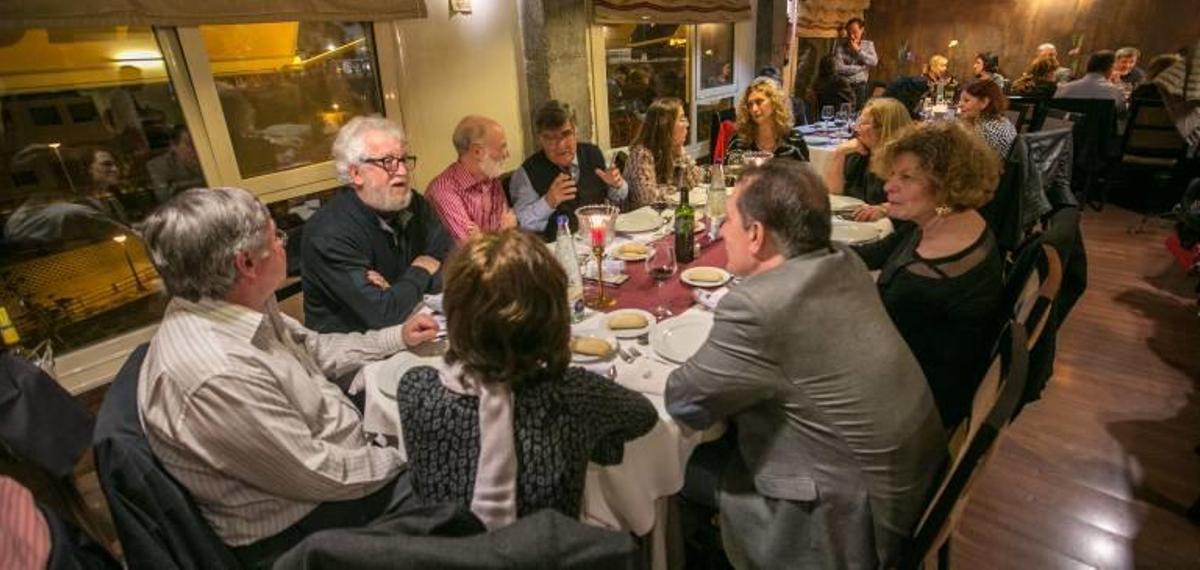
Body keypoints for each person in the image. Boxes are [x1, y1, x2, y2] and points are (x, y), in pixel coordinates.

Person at [137, 186, 440, 568]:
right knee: (458, 476)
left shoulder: (236, 302)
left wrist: (396, 336)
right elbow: (318, 472)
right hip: (305, 526)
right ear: (246, 263)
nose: (284, 243)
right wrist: (406, 455)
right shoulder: (217, 372)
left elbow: (314, 349)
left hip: (333, 460)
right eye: (276, 236)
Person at [665, 160, 945, 569]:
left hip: (847, 523)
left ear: (756, 235)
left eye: (727, 221)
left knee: (669, 469)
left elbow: (685, 402)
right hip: (912, 481)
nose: (722, 232)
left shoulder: (759, 306)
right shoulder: (842, 260)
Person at [397, 229, 657, 529]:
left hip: (440, 558)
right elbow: (644, 416)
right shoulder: (571, 394)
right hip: (548, 555)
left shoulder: (416, 389)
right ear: (553, 317)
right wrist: (592, 442)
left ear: (455, 313)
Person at [853, 121, 1004, 429]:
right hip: (908, 378)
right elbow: (875, 254)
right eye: (893, 174)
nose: (888, 186)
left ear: (946, 183)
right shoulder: (942, 221)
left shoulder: (928, 276)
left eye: (906, 178)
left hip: (910, 415)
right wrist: (805, 247)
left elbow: (874, 342)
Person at [302, 116, 452, 333]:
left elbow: (450, 263)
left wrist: (396, 291)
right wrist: (421, 269)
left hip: (414, 323)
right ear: (355, 174)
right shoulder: (328, 233)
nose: (401, 171)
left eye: (403, 160)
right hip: (355, 352)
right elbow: (383, 314)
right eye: (387, 162)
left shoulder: (413, 204)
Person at [511, 100, 627, 240]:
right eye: (551, 138)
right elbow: (521, 223)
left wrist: (616, 185)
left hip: (599, 240)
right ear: (540, 139)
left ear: (575, 132)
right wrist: (548, 202)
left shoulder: (593, 154)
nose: (561, 145)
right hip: (559, 250)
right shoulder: (526, 173)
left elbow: (619, 197)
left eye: (566, 134)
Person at [425, 116, 517, 244]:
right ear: (477, 151)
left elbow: (508, 237)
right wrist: (502, 231)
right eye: (502, 147)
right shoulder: (443, 190)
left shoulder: (491, 178)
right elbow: (472, 251)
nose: (507, 154)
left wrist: (483, 236)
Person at [823, 97, 912, 220]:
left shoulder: (904, 162)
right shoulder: (858, 151)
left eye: (864, 123)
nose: (856, 127)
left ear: (883, 128)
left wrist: (883, 209)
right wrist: (839, 154)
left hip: (892, 226)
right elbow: (833, 192)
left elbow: (915, 201)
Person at [624, 97, 701, 209]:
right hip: (640, 221)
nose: (687, 124)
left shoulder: (673, 148)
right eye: (682, 119)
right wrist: (674, 191)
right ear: (666, 126)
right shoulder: (641, 154)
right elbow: (648, 199)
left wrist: (681, 153)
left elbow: (695, 182)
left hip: (664, 217)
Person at [728, 77, 811, 163]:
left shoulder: (794, 141)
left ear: (775, 102)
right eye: (750, 105)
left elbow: (806, 175)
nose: (754, 109)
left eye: (759, 102)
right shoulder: (739, 141)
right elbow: (728, 173)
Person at [1054, 50, 1128, 113]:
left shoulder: (1063, 89)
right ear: (1110, 69)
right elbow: (1122, 112)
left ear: (1088, 66)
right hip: (1099, 129)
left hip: (1067, 129)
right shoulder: (1114, 91)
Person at [959, 78, 1018, 157]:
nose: (960, 105)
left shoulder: (985, 131)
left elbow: (969, 160)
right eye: (960, 100)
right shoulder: (1002, 120)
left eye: (966, 100)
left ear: (984, 102)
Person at [146, 125, 205, 204]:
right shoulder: (157, 165)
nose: (196, 149)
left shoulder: (208, 156)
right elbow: (164, 198)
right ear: (173, 146)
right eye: (189, 144)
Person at [832, 17, 878, 108]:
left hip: (860, 85)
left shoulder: (868, 45)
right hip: (844, 86)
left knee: (859, 109)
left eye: (855, 32)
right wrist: (861, 68)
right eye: (849, 33)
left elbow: (874, 62)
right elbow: (838, 68)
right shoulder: (840, 47)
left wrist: (858, 51)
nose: (852, 36)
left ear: (861, 30)